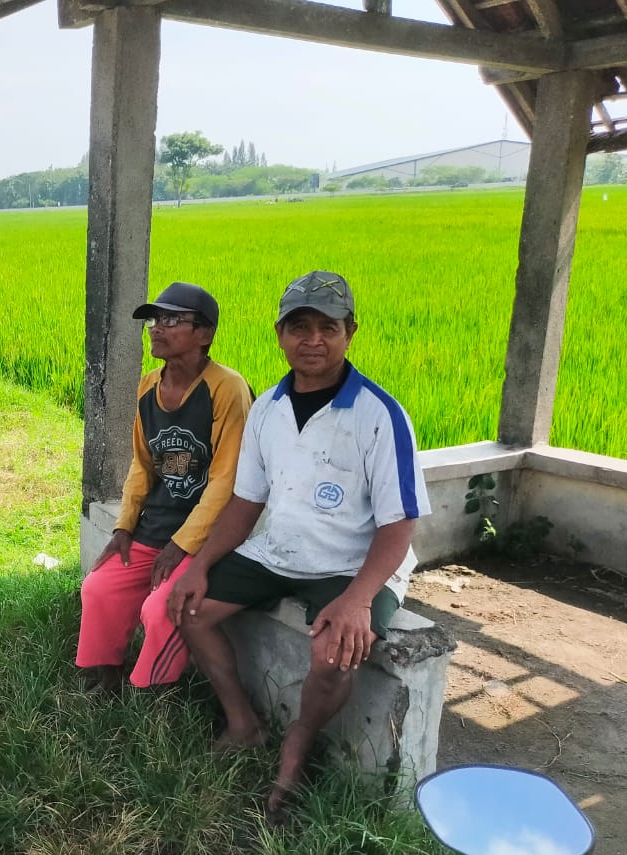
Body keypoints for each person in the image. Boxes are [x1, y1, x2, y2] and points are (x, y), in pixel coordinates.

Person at [167, 270, 430, 819]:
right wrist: (199, 563)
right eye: (300, 327)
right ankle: (244, 723)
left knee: (334, 652)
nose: (313, 340)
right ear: (280, 335)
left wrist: (358, 599)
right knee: (189, 606)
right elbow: (245, 503)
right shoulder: (267, 409)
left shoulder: (381, 416)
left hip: (352, 564)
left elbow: (399, 524)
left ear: (350, 332)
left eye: (327, 327)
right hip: (279, 551)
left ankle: (297, 750)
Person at [75, 283, 252, 692]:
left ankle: (153, 690)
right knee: (99, 587)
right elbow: (143, 463)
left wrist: (182, 544)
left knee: (161, 609)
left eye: (172, 320)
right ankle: (108, 677)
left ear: (205, 334)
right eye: (155, 320)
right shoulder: (149, 385)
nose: (157, 328)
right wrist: (123, 527)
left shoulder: (227, 389)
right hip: (155, 524)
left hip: (208, 536)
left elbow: (227, 481)